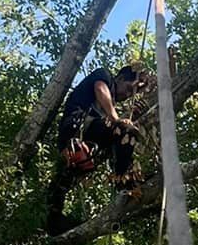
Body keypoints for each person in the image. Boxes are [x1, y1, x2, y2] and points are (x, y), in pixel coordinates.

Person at [46, 61, 152, 231]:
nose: (126, 95)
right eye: (127, 89)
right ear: (120, 78)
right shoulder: (104, 76)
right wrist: (117, 119)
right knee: (125, 131)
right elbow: (100, 89)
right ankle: (122, 180)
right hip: (76, 131)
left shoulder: (110, 104)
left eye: (130, 93)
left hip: (86, 137)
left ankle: (54, 218)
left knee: (66, 178)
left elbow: (108, 128)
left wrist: (128, 117)